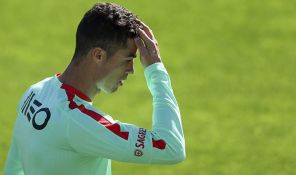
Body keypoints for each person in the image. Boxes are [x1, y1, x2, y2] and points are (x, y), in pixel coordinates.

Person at [4, 2, 185, 175]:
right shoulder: (79, 122)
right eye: (128, 59)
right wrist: (156, 70)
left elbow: (13, 166)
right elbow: (170, 147)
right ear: (98, 55)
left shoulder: (35, 92)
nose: (131, 69)